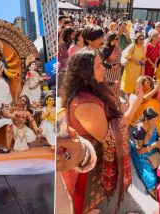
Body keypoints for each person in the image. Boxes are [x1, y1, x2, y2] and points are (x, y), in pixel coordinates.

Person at [62, 49, 143, 214]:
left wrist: (123, 107)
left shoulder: (94, 89)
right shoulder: (83, 103)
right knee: (81, 199)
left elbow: (108, 110)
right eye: (98, 66)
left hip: (94, 157)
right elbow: (111, 138)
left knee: (90, 199)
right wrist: (134, 107)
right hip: (85, 163)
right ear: (85, 74)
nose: (103, 69)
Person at [130, 107, 160, 198]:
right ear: (146, 119)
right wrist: (154, 146)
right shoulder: (139, 131)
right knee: (152, 180)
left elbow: (155, 137)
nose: (155, 122)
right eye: (153, 120)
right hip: (142, 154)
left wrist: (159, 141)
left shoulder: (153, 124)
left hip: (153, 149)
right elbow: (139, 151)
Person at [121, 33, 146, 98]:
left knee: (135, 82)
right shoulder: (133, 46)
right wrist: (135, 60)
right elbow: (126, 56)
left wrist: (142, 62)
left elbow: (143, 58)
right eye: (140, 39)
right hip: (130, 67)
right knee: (129, 81)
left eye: (143, 39)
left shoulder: (144, 48)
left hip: (138, 69)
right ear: (136, 39)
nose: (142, 41)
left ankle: (132, 96)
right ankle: (127, 96)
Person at [101, 32, 122, 100]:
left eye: (119, 38)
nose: (118, 40)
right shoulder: (106, 49)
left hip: (116, 72)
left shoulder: (116, 47)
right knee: (110, 90)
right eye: (117, 39)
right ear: (112, 39)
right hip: (109, 73)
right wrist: (112, 66)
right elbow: (101, 62)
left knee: (116, 89)